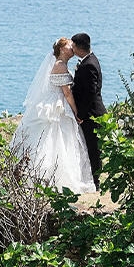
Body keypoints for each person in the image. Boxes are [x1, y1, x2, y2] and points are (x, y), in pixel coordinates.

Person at [9, 38, 95, 194]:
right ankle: (52, 177)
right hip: (58, 106)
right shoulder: (60, 65)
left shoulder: (60, 64)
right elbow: (67, 93)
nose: (72, 48)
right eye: (69, 46)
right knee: (55, 139)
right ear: (62, 49)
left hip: (57, 103)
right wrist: (76, 111)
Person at [70, 32, 106, 189]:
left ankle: (96, 182)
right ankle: (92, 179)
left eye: (73, 46)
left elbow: (91, 93)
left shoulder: (89, 65)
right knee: (90, 147)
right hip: (90, 112)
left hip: (92, 114)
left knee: (93, 148)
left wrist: (81, 114)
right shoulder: (89, 60)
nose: (72, 49)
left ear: (79, 47)